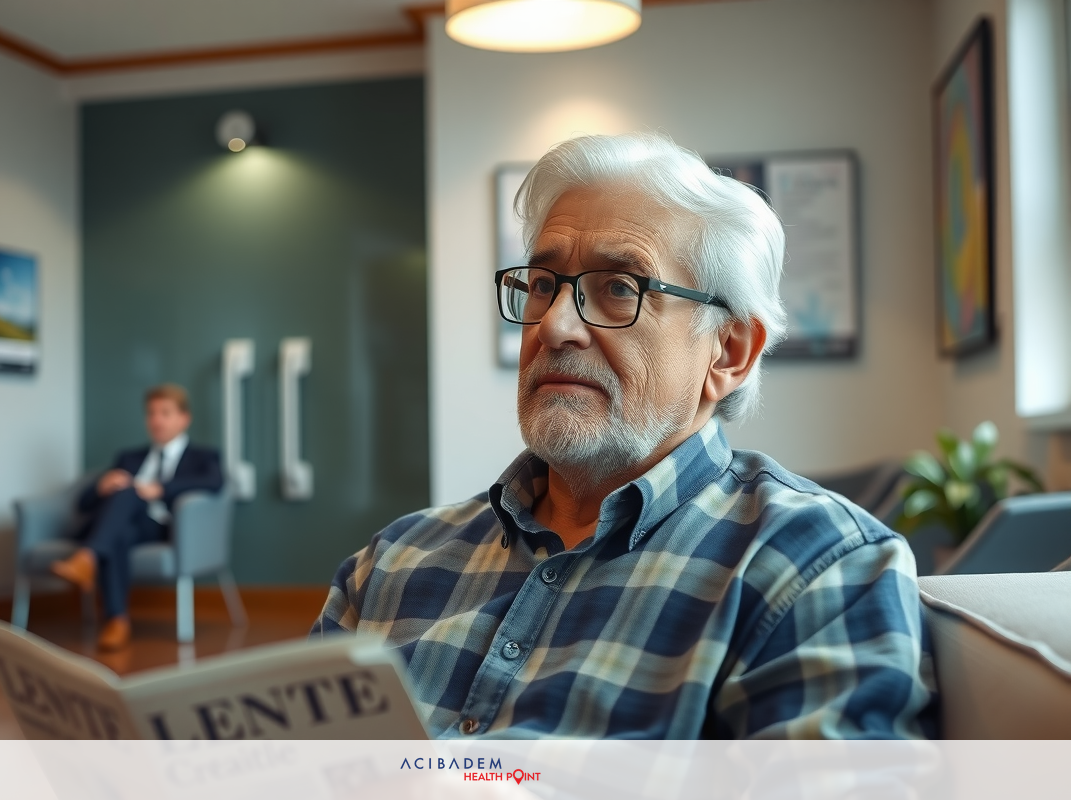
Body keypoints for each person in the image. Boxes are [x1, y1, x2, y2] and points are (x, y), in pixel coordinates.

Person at [312, 132, 937, 738]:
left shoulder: (816, 565)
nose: (555, 325)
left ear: (729, 352)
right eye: (541, 284)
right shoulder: (391, 564)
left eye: (618, 288)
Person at [52, 384, 223, 650]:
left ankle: (87, 558)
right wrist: (101, 486)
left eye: (165, 413)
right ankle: (117, 621)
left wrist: (160, 489)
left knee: (129, 493)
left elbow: (215, 482)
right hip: (125, 526)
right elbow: (83, 504)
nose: (156, 420)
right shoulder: (130, 458)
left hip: (162, 525)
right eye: (151, 413)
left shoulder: (203, 457)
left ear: (184, 419)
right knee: (120, 525)